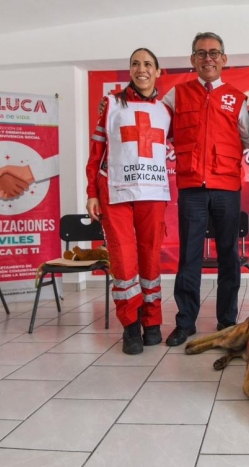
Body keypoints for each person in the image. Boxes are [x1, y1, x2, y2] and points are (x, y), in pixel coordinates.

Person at [163, 32, 249, 346]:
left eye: (214, 52)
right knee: (189, 256)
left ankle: (227, 322)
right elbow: (154, 127)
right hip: (191, 186)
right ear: (193, 60)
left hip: (227, 187)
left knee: (229, 256)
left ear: (224, 59)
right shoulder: (176, 95)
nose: (208, 58)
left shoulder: (236, 97)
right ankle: (185, 322)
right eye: (201, 53)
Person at [86, 48, 171, 355]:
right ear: (130, 70)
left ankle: (152, 322)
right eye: (135, 63)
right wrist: (91, 192)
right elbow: (96, 152)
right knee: (123, 259)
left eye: (148, 63)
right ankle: (130, 325)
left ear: (158, 71)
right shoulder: (111, 103)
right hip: (116, 192)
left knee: (150, 257)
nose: (141, 68)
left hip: (152, 192)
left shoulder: (165, 110)